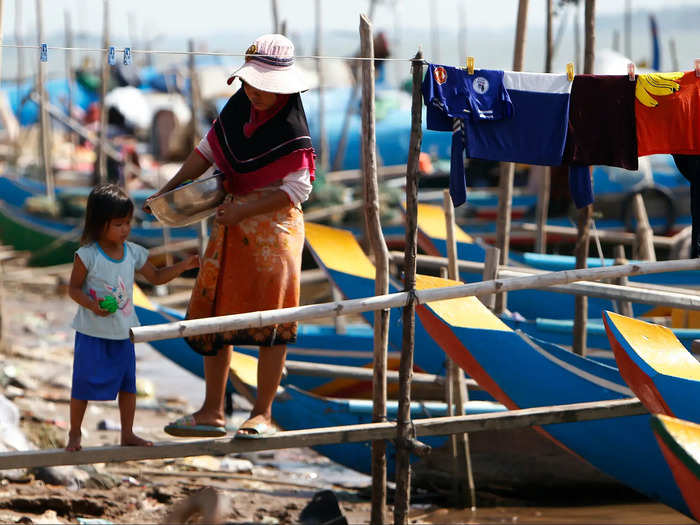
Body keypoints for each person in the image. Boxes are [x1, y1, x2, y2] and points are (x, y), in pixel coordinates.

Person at [144, 34, 315, 439]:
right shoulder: (239, 109)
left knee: (273, 323)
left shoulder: (293, 131)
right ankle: (212, 410)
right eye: (250, 83)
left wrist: (245, 208)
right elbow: (206, 152)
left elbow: (298, 190)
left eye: (264, 87)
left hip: (273, 231)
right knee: (216, 316)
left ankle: (263, 414)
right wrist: (167, 190)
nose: (254, 92)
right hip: (230, 223)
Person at [67, 184, 199, 451]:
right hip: (92, 333)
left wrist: (184, 266)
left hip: (124, 333)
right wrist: (92, 305)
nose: (125, 229)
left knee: (128, 387)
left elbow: (157, 277)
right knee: (82, 385)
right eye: (118, 224)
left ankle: (127, 433)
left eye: (127, 222)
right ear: (99, 224)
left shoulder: (133, 252)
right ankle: (74, 434)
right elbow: (73, 289)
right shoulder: (87, 256)